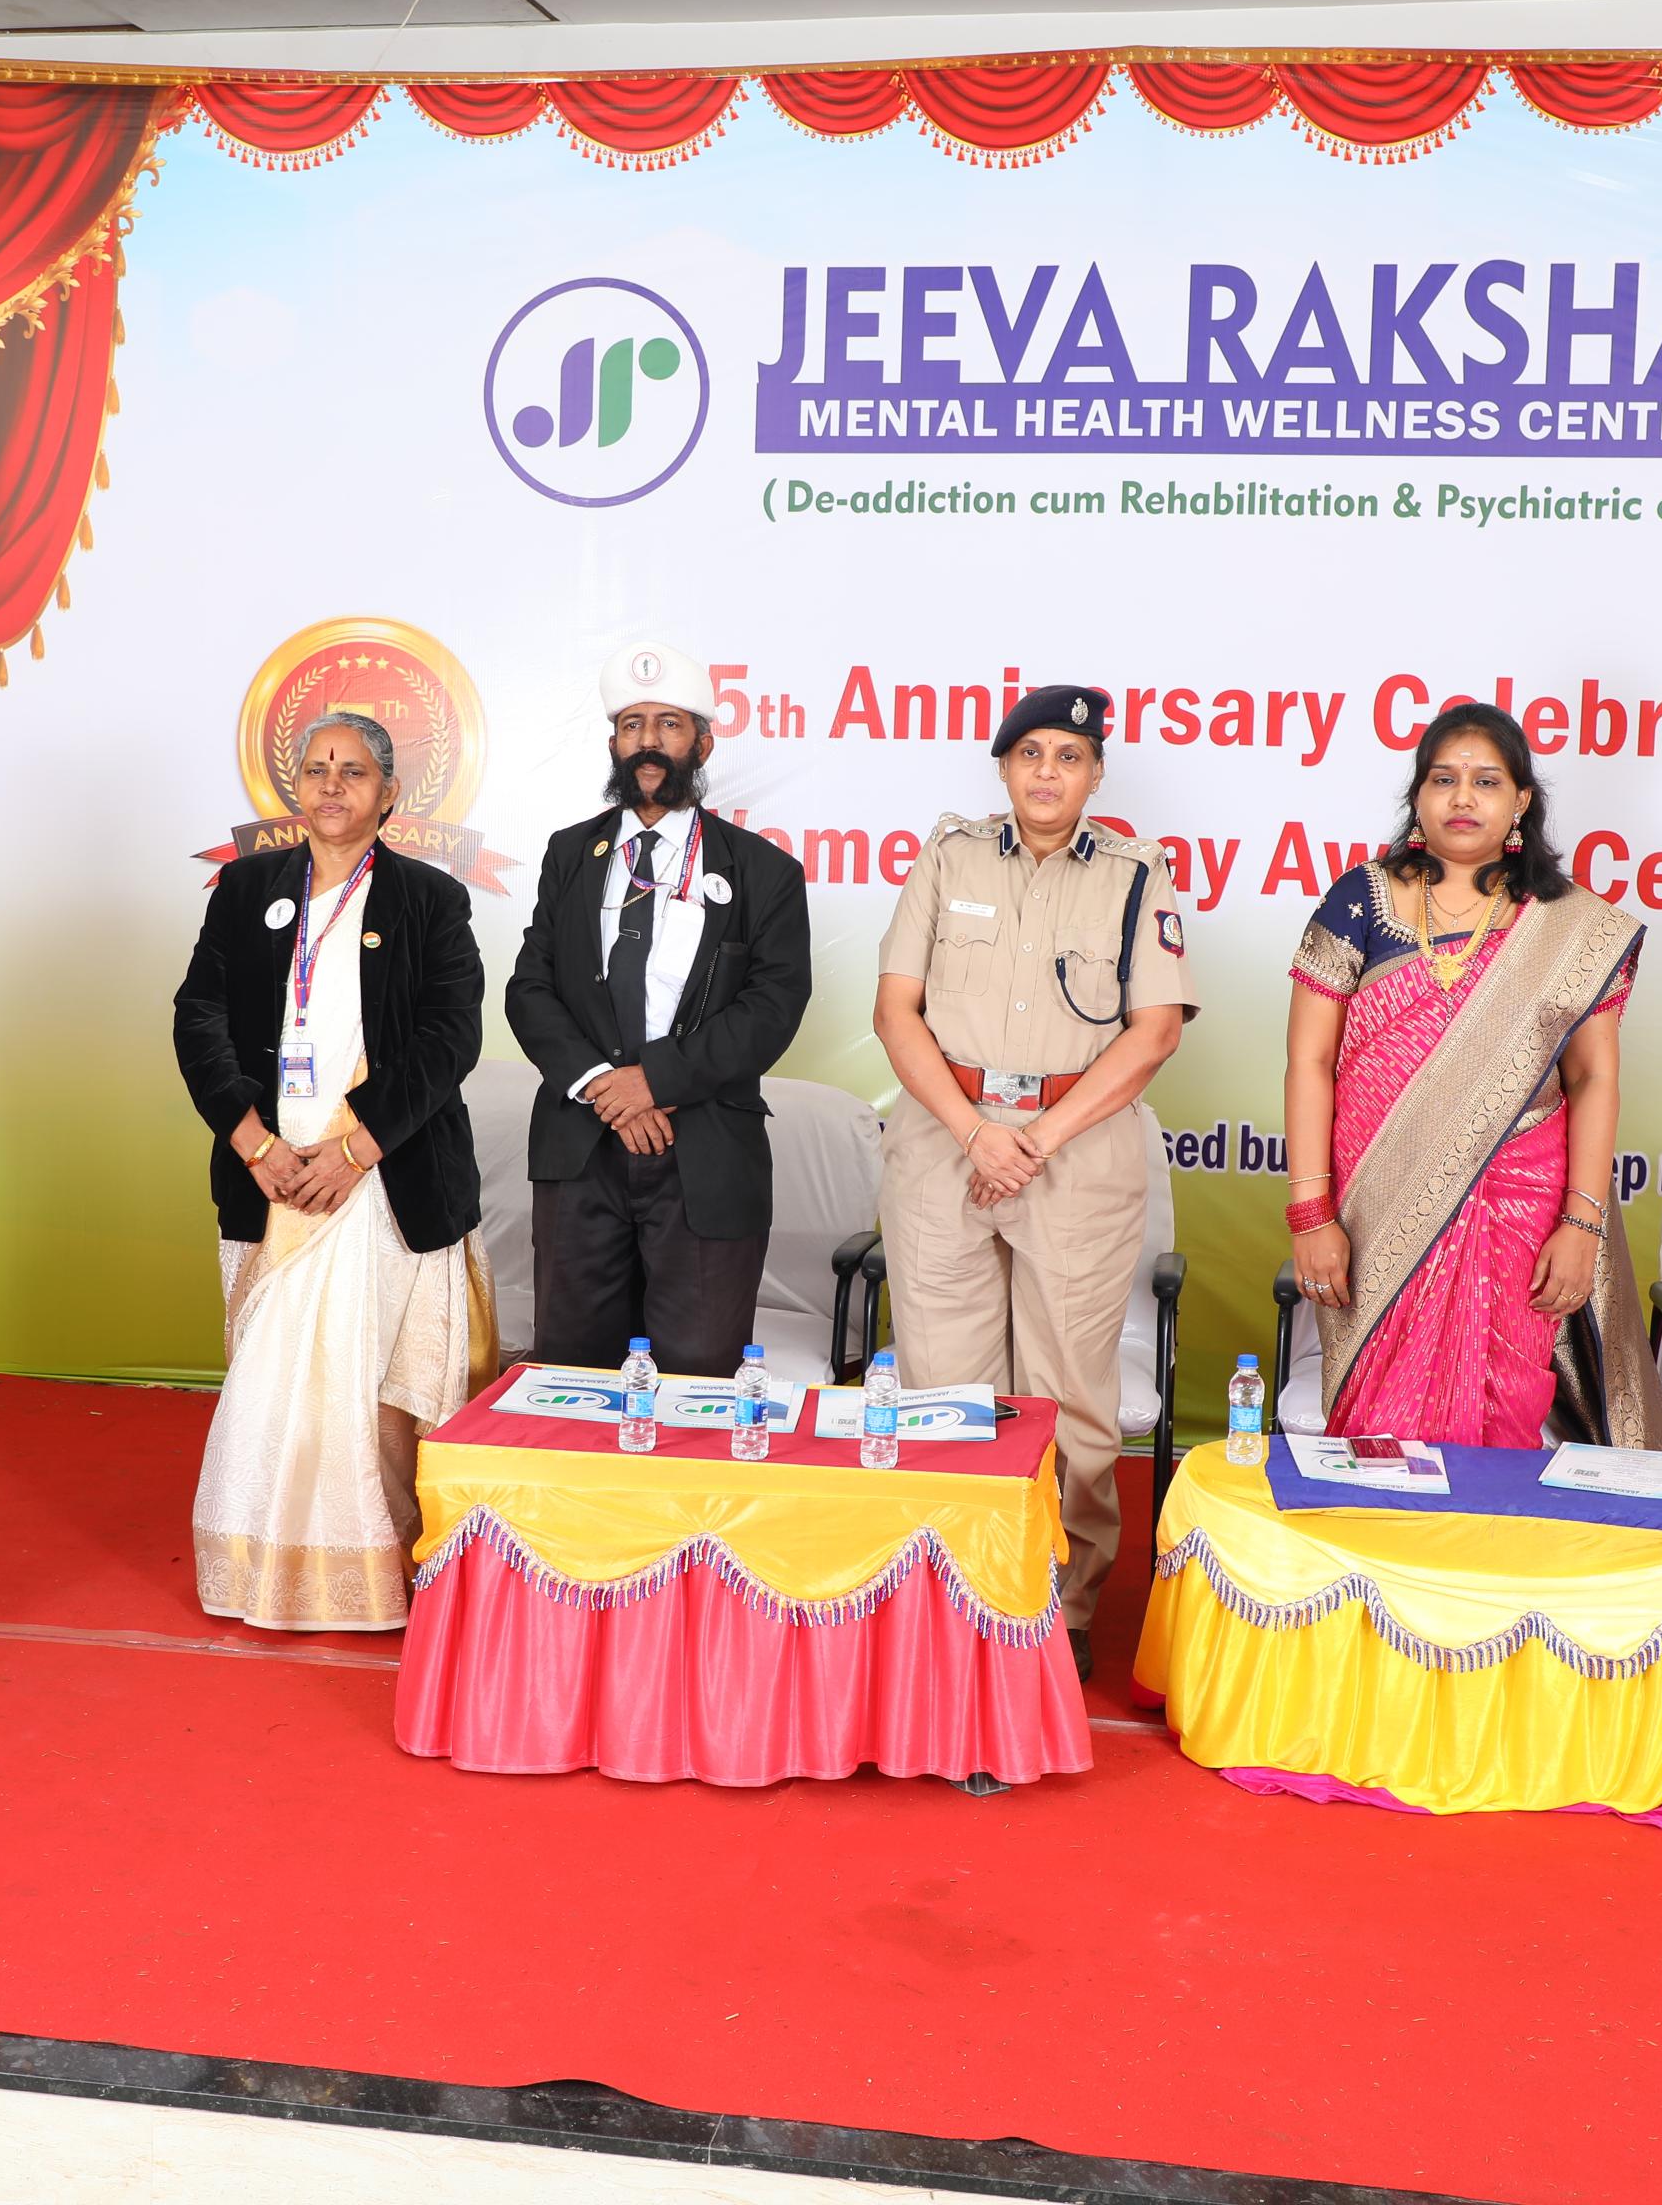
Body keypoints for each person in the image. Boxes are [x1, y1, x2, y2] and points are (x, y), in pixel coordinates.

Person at [872, 683, 1194, 1679]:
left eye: (1070, 756)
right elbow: (895, 1011)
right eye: (1031, 754)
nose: (1048, 772)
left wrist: (1033, 1140)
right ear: (1005, 767)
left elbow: (1155, 1032)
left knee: (1067, 1395)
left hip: (1077, 1152)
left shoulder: (1137, 875)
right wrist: (978, 1134)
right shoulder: (947, 858)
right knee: (943, 1387)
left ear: (1096, 775)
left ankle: (1061, 1601)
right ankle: (953, 1586)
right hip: (946, 1142)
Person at [1280, 701, 1662, 1453]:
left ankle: (1484, 1533)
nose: (1463, 798)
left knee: (1503, 1414)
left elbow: (1594, 1079)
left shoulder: (1570, 927)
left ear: (1520, 800)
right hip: (1378, 1208)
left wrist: (1581, 1224)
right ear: (1418, 796)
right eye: (1443, 779)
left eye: (1486, 781)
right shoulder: (1358, 900)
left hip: (1518, 1207)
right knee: (1378, 1436)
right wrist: (1310, 1214)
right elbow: (1310, 1063)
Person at [173, 710, 491, 1632]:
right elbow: (199, 1016)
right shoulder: (246, 889)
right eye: (317, 768)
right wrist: (254, 1143)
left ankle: (386, 1568)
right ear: (296, 788)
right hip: (271, 1174)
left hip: (385, 1177)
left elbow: (449, 1039)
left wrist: (355, 1149)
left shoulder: (430, 900)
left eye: (353, 771)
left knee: (376, 1392)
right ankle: (262, 1573)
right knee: (275, 1382)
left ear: (389, 794)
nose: (332, 785)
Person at [505, 640, 814, 1376]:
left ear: (702, 744)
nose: (649, 741)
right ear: (613, 743)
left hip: (704, 1152)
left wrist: (654, 1082)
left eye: (669, 725)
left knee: (698, 1374)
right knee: (571, 1372)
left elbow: (773, 1006)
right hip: (581, 1147)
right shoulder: (568, 854)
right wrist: (604, 1088)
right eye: (633, 724)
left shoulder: (763, 871)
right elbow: (530, 988)